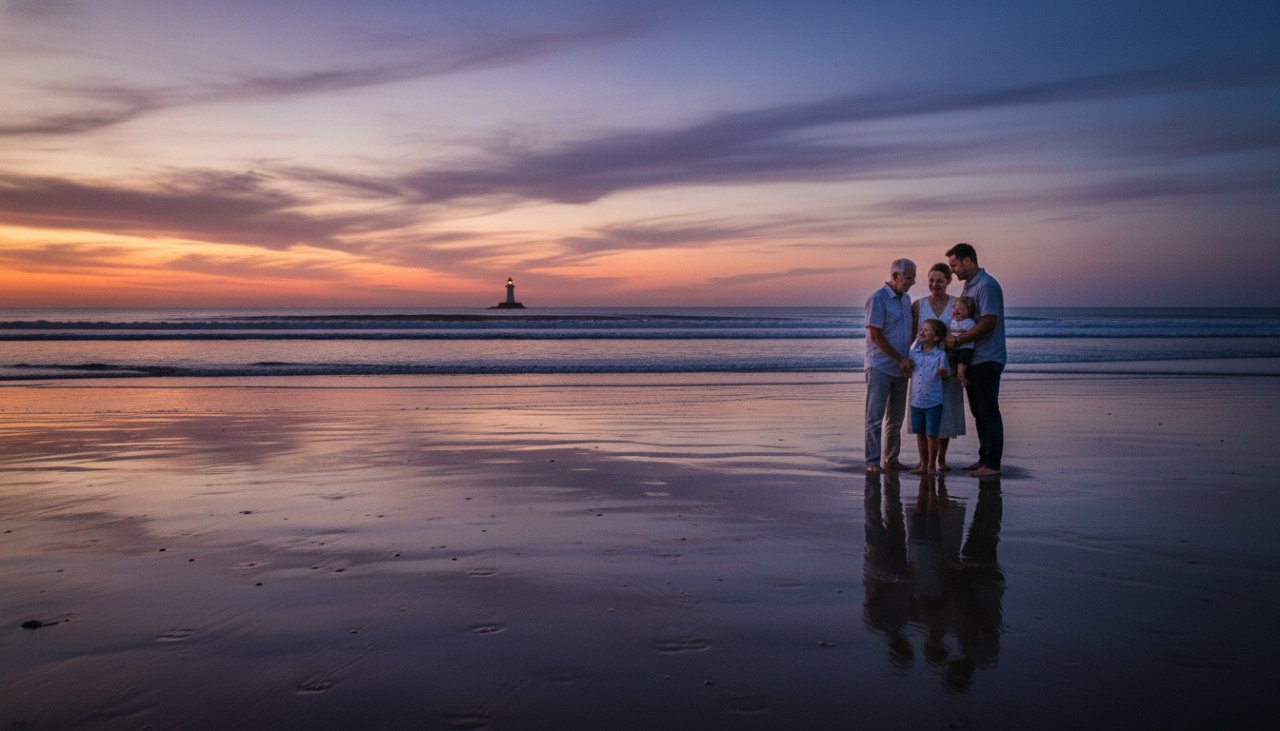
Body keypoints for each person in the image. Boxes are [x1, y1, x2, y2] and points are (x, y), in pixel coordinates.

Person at [945, 243, 1006, 478]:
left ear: (967, 260)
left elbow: (989, 321)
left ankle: (992, 463)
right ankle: (983, 458)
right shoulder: (969, 287)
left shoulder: (986, 285)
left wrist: (958, 342)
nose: (953, 271)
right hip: (973, 358)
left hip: (988, 357)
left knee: (989, 411)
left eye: (954, 265)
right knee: (979, 412)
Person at [909, 263, 966, 470]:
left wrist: (957, 354)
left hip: (947, 363)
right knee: (924, 412)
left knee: (946, 412)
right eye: (931, 280)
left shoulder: (956, 304)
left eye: (940, 281)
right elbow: (912, 335)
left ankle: (940, 459)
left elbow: (963, 330)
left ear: (948, 282)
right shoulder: (918, 305)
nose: (935, 285)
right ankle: (925, 461)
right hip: (923, 365)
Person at [864, 258, 917, 474]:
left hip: (901, 367)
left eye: (913, 278)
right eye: (908, 278)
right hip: (880, 366)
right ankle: (873, 461)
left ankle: (892, 459)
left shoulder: (906, 300)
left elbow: (908, 331)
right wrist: (898, 358)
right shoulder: (878, 299)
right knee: (875, 416)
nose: (912, 282)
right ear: (895, 276)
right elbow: (875, 335)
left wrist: (910, 356)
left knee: (896, 418)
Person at [908, 319, 951, 474]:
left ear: (936, 337)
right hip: (916, 400)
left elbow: (946, 373)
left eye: (927, 330)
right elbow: (908, 371)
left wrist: (943, 372)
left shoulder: (940, 355)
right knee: (919, 433)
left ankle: (932, 465)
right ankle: (923, 464)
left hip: (933, 400)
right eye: (922, 329)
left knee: (932, 434)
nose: (922, 332)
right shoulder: (913, 353)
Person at [949, 296, 977, 388]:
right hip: (954, 348)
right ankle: (954, 373)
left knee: (962, 363)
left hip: (965, 348)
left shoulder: (970, 322)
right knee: (952, 360)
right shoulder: (952, 322)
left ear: (968, 312)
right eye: (954, 309)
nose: (956, 311)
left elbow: (972, 335)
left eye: (960, 309)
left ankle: (962, 377)